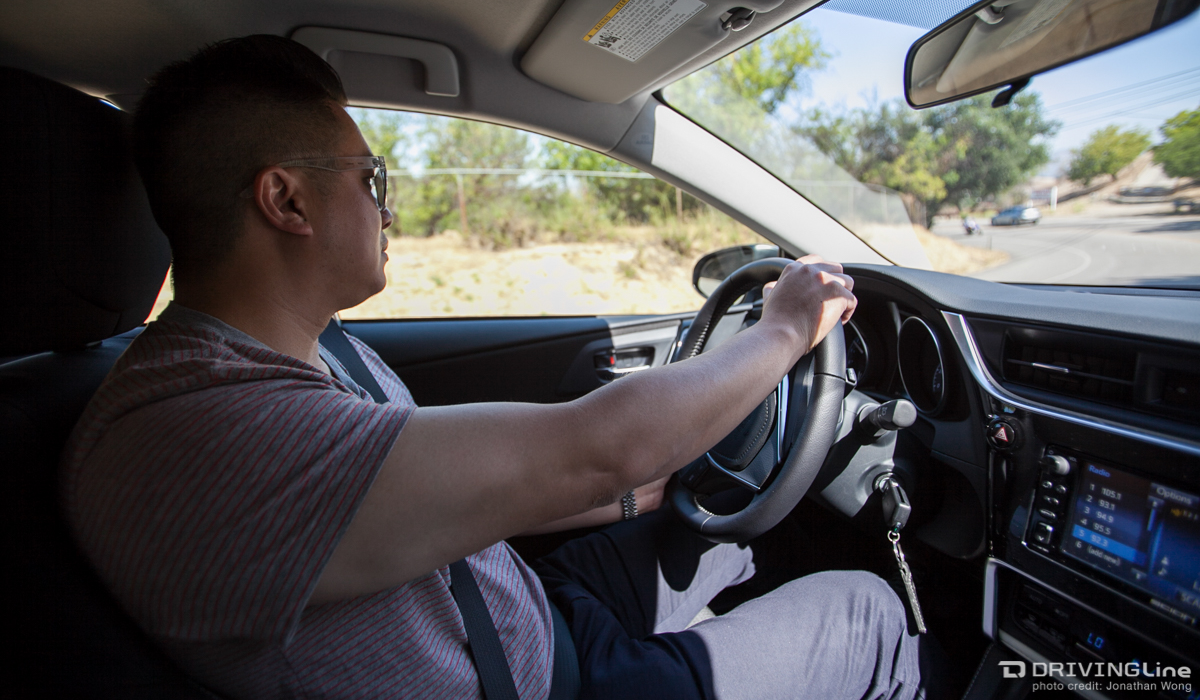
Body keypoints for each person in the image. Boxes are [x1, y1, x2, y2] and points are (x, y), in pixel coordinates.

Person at [62, 35, 933, 699]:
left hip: (524, 608)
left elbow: (477, 492)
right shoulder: (197, 433)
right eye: (371, 180)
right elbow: (598, 449)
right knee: (871, 614)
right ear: (286, 199)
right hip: (543, 683)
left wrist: (643, 492)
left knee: (735, 530)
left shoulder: (307, 348)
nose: (385, 210)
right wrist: (786, 328)